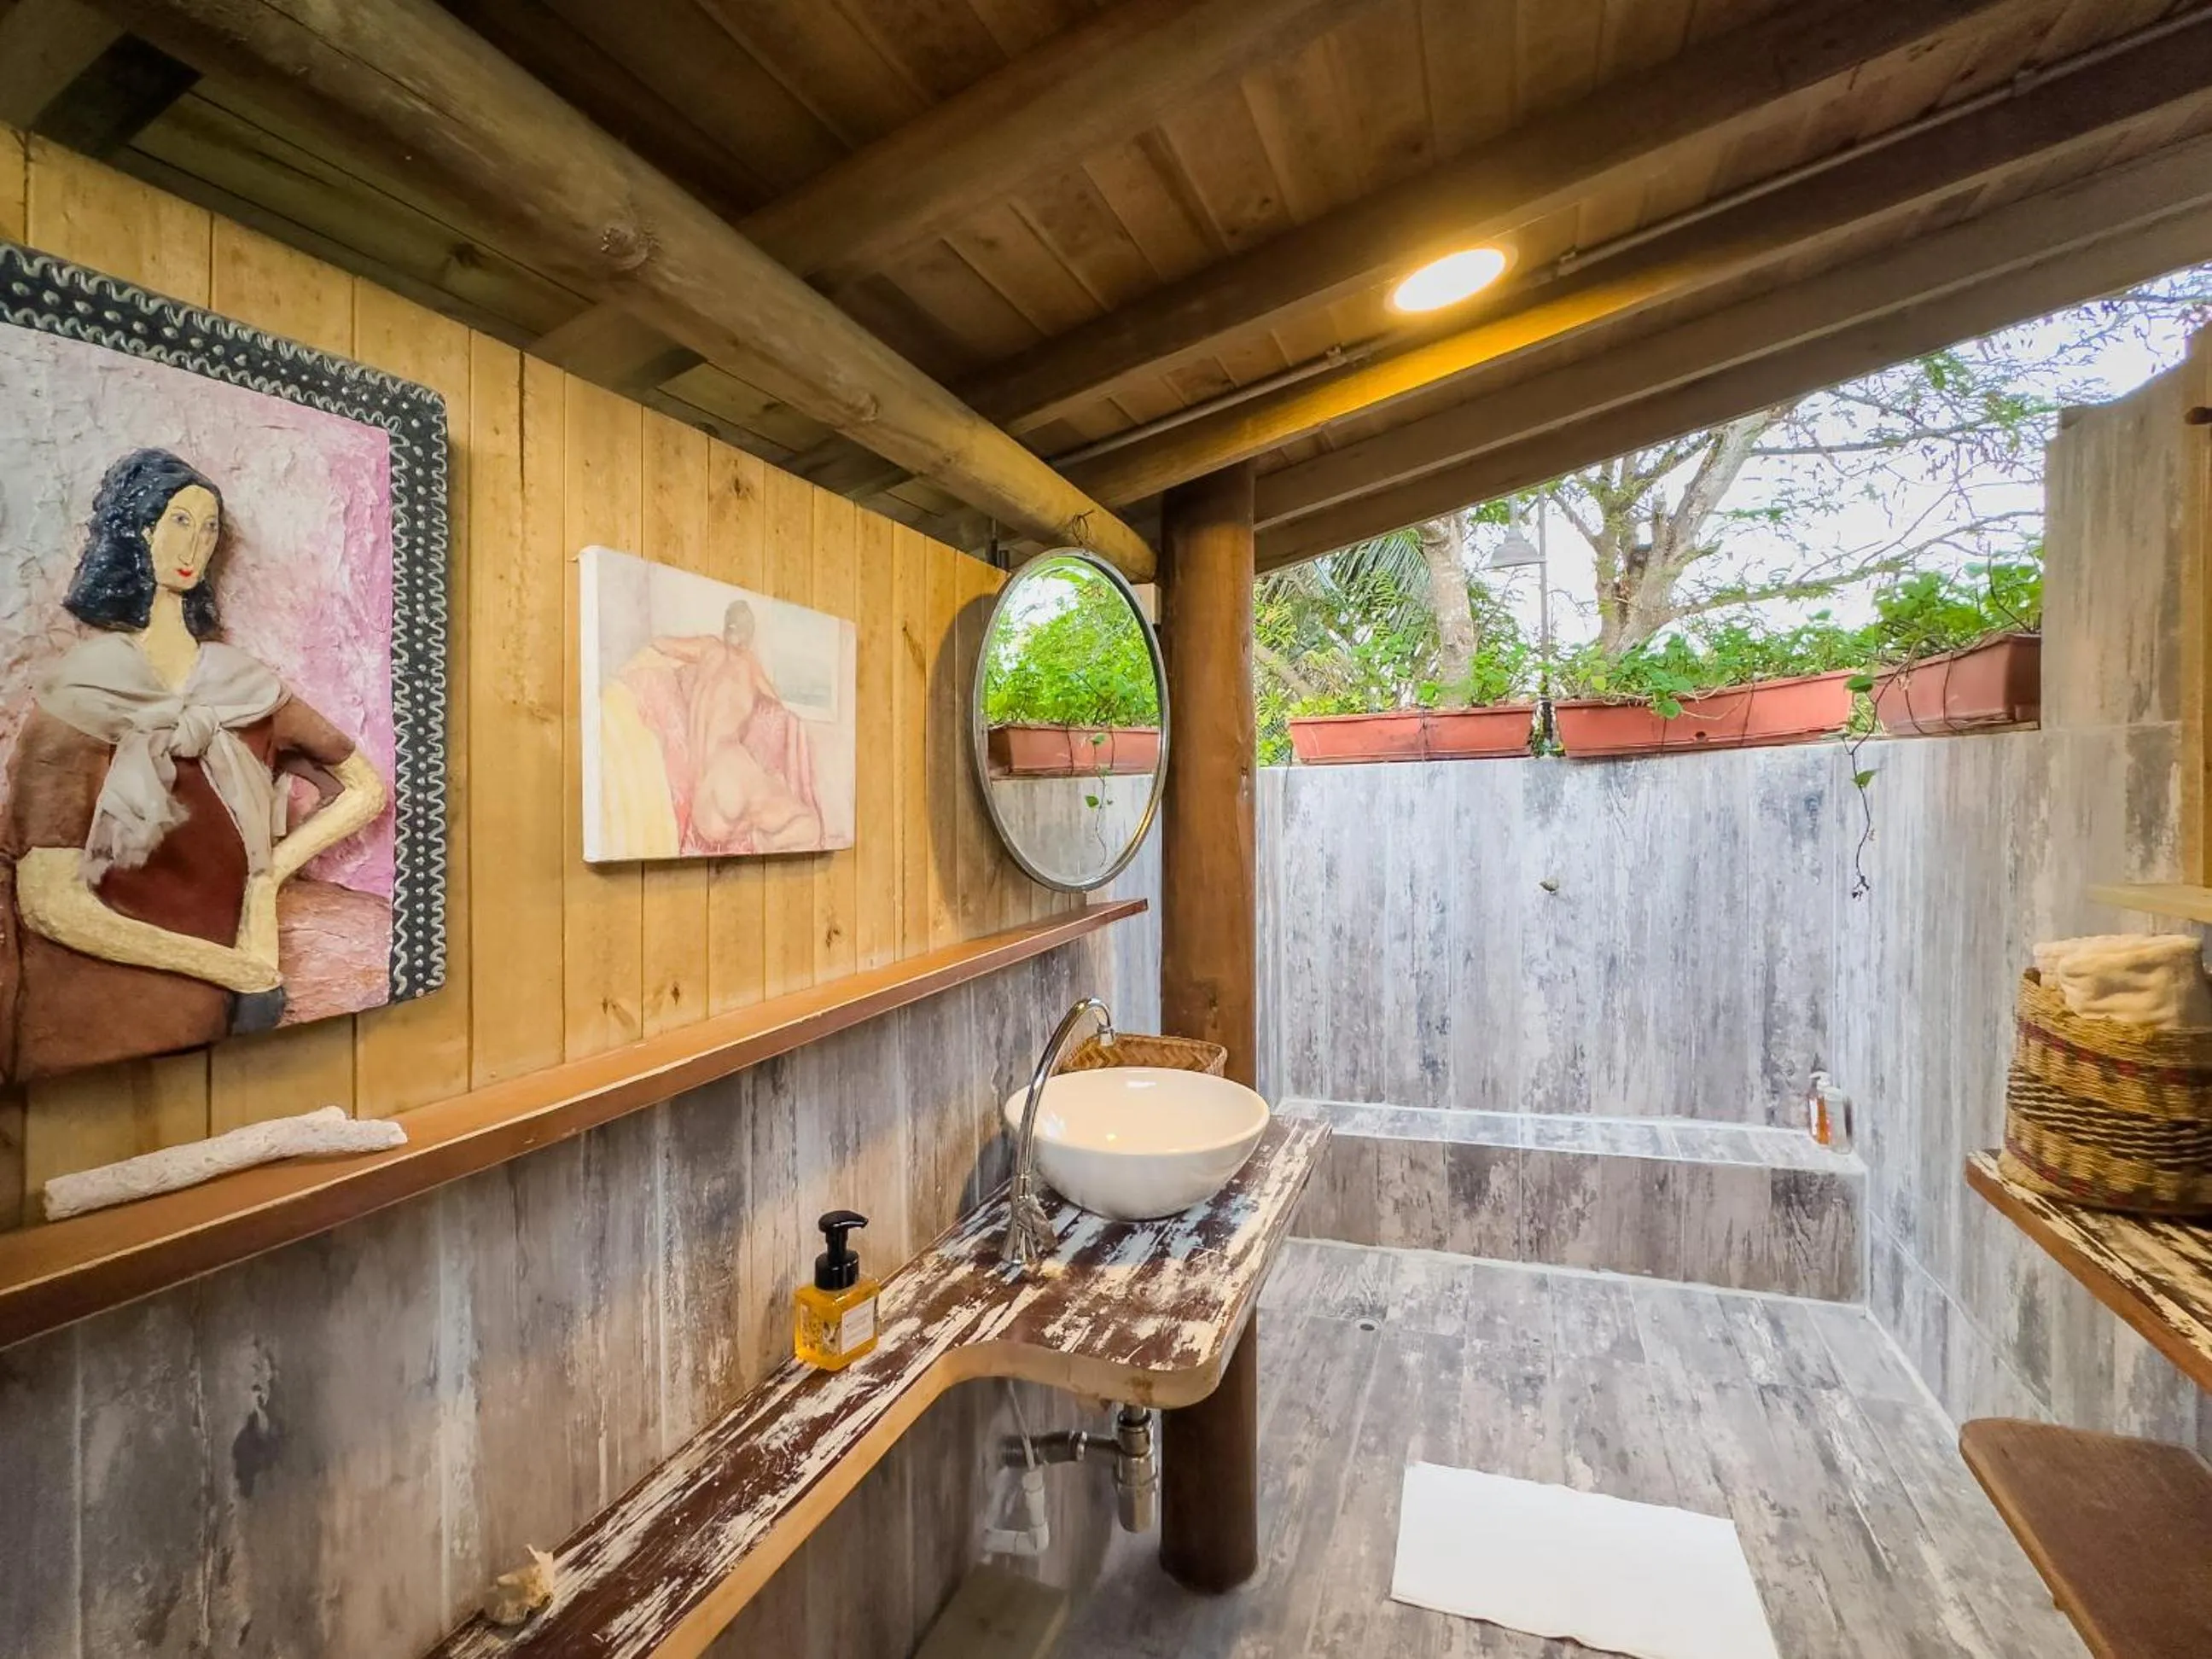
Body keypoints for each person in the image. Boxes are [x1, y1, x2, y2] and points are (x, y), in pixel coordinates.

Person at [0, 449, 387, 1082]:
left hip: (217, 1001)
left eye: (208, 528)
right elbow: (49, 903)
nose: (196, 543)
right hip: (94, 1006)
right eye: (178, 521)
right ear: (139, 529)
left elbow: (363, 788)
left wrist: (272, 874)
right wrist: (228, 966)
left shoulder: (242, 685)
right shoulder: (84, 692)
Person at [640, 598, 823, 854]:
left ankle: (761, 838)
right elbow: (778, 702)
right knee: (810, 826)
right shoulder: (748, 663)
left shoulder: (706, 648)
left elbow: (659, 643)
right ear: (748, 635)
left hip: (706, 813)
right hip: (732, 771)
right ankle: (767, 842)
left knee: (763, 800)